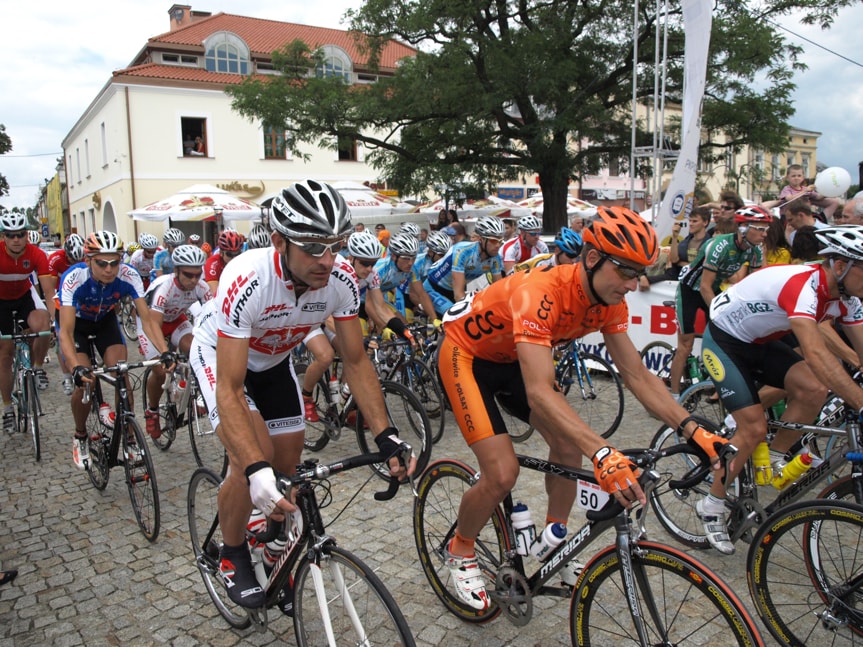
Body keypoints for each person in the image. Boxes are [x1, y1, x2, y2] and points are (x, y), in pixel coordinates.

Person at [437, 206, 727, 609]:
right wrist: (604, 453)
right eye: (626, 270)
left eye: (640, 271)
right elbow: (539, 392)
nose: (633, 283)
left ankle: (553, 539)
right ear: (592, 259)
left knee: (567, 444)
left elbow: (639, 376)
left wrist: (693, 428)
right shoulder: (542, 290)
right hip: (467, 357)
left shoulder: (610, 301)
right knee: (502, 472)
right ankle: (460, 547)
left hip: (515, 360)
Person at [189, 179, 413, 609]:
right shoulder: (247, 277)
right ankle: (233, 553)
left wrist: (386, 434)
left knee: (288, 464)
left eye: (336, 245)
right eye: (313, 247)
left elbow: (355, 361)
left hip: (273, 364)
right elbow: (231, 388)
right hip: (223, 359)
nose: (328, 260)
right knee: (251, 456)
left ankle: (275, 547)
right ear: (279, 241)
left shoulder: (341, 280)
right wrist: (254, 467)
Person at [698, 224, 863, 554]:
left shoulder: (848, 298)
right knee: (754, 427)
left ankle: (771, 459)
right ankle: (712, 504)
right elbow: (816, 353)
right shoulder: (804, 286)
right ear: (841, 266)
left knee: (814, 389)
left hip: (760, 342)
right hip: (724, 341)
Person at [59, 231, 173, 469]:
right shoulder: (74, 278)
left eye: (114, 262)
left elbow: (147, 319)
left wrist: (164, 351)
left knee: (121, 375)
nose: (109, 269)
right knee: (86, 382)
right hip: (77, 326)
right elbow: (66, 332)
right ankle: (80, 435)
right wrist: (75, 368)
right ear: (88, 259)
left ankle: (130, 438)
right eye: (102, 263)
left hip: (104, 322)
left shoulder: (128, 275)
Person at [667, 206, 768, 401]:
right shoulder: (720, 245)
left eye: (767, 230)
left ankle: (718, 389)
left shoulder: (755, 251)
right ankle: (674, 395)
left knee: (724, 340)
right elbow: (704, 286)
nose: (765, 234)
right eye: (761, 229)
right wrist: (720, 315)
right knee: (685, 345)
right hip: (690, 289)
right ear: (745, 228)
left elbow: (754, 285)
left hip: (712, 288)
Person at [140, 245, 212, 439]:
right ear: (177, 270)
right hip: (151, 323)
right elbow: (154, 323)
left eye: (198, 274)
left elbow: (213, 317)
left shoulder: (201, 287)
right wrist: (165, 351)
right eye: (189, 275)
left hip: (175, 320)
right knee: (160, 370)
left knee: (195, 348)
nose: (194, 280)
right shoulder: (166, 287)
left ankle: (192, 394)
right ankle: (152, 411)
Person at [0, 213, 54, 432]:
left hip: (24, 297)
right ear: (4, 236)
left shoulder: (36, 254)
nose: (16, 239)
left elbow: (49, 292)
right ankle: (7, 409)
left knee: (43, 327)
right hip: (0, 302)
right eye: (11, 235)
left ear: (26, 235)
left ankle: (38, 368)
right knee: (5, 354)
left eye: (20, 234)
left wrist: (57, 323)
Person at [423, 216, 505, 317]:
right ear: (481, 239)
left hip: (453, 289)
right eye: (493, 241)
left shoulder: (495, 258)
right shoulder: (462, 252)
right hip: (433, 288)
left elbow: (500, 290)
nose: (498, 245)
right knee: (458, 317)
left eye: (500, 241)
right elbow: (458, 295)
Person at [45, 234, 86, 395]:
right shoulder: (56, 259)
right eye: (72, 261)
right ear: (66, 254)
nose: (76, 265)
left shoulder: (87, 259)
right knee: (63, 341)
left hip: (81, 299)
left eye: (79, 261)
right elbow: (49, 289)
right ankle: (67, 377)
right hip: (61, 298)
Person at [764, 163, 840, 220]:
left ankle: (821, 220)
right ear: (788, 178)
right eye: (793, 176)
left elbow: (818, 197)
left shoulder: (805, 188)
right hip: (789, 217)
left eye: (799, 176)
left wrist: (827, 191)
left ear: (803, 177)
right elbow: (789, 199)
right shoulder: (787, 189)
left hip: (805, 215)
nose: (796, 178)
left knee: (834, 201)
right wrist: (805, 191)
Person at [667, 207, 712, 280]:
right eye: (690, 221)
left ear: (705, 222)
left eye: (694, 221)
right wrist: (675, 237)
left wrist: (682, 263)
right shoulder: (686, 241)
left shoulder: (710, 243)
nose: (690, 224)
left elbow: (704, 267)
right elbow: (674, 260)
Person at [512, 226, 582, 272]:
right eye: (570, 256)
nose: (574, 260)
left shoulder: (576, 267)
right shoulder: (541, 262)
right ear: (557, 251)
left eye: (576, 256)